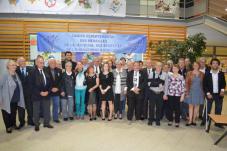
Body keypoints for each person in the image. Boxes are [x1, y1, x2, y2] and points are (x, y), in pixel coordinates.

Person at [0, 60, 25, 133]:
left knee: (13, 113)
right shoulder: (4, 75)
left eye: (15, 65)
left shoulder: (16, 74)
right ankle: (8, 127)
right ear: (8, 66)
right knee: (6, 113)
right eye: (12, 65)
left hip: (15, 98)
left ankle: (13, 124)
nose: (14, 66)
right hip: (6, 98)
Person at [29, 55, 53, 131]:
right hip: (36, 95)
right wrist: (40, 92)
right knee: (36, 111)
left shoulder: (46, 70)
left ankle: (46, 123)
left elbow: (50, 82)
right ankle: (36, 124)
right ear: (36, 62)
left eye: (43, 63)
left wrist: (48, 91)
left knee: (47, 110)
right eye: (40, 63)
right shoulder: (32, 72)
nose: (42, 64)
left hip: (46, 94)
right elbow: (31, 85)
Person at [201, 58, 226, 128]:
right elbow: (204, 85)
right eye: (213, 63)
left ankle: (218, 123)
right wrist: (208, 93)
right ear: (211, 64)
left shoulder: (221, 73)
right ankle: (205, 121)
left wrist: (222, 90)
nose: (215, 64)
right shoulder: (207, 73)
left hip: (219, 95)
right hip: (210, 94)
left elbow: (223, 83)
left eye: (216, 63)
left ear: (218, 65)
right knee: (208, 109)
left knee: (218, 109)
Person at [16, 57, 34, 127]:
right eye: (21, 61)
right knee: (21, 109)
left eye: (24, 61)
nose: (23, 62)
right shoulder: (16, 70)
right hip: (20, 94)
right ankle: (22, 122)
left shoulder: (31, 69)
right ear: (18, 63)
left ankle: (30, 121)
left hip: (29, 93)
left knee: (30, 108)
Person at [185, 62, 204, 126]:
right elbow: (186, 83)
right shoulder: (189, 73)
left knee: (197, 106)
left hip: (199, 92)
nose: (195, 66)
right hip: (191, 91)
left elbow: (204, 84)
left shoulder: (202, 74)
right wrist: (187, 92)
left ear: (199, 66)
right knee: (190, 106)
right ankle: (190, 120)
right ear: (193, 66)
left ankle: (194, 120)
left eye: (197, 65)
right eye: (194, 65)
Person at [148, 62, 166, 126]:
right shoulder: (151, 73)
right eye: (157, 66)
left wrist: (165, 94)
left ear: (161, 67)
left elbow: (165, 85)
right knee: (151, 107)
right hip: (152, 92)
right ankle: (150, 119)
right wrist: (159, 83)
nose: (158, 67)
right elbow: (149, 84)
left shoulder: (164, 74)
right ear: (155, 66)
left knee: (159, 107)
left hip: (160, 93)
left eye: (160, 66)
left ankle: (157, 120)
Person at [47, 58, 62, 123]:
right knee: (47, 106)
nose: (53, 64)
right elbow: (45, 81)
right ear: (48, 63)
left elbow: (61, 81)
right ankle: (47, 118)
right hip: (48, 91)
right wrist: (51, 88)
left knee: (56, 105)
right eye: (51, 63)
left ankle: (55, 118)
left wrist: (57, 88)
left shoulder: (59, 70)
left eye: (54, 63)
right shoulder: (45, 70)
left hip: (56, 91)